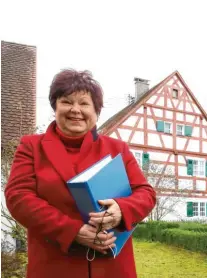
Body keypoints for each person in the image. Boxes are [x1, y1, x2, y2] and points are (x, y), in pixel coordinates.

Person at [5, 69, 157, 278]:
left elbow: (146, 193)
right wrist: (72, 231)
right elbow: (18, 197)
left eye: (84, 104)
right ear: (55, 106)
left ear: (96, 111)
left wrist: (122, 210)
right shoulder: (31, 146)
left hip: (112, 267)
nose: (75, 110)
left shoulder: (117, 149)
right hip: (54, 266)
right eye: (66, 102)